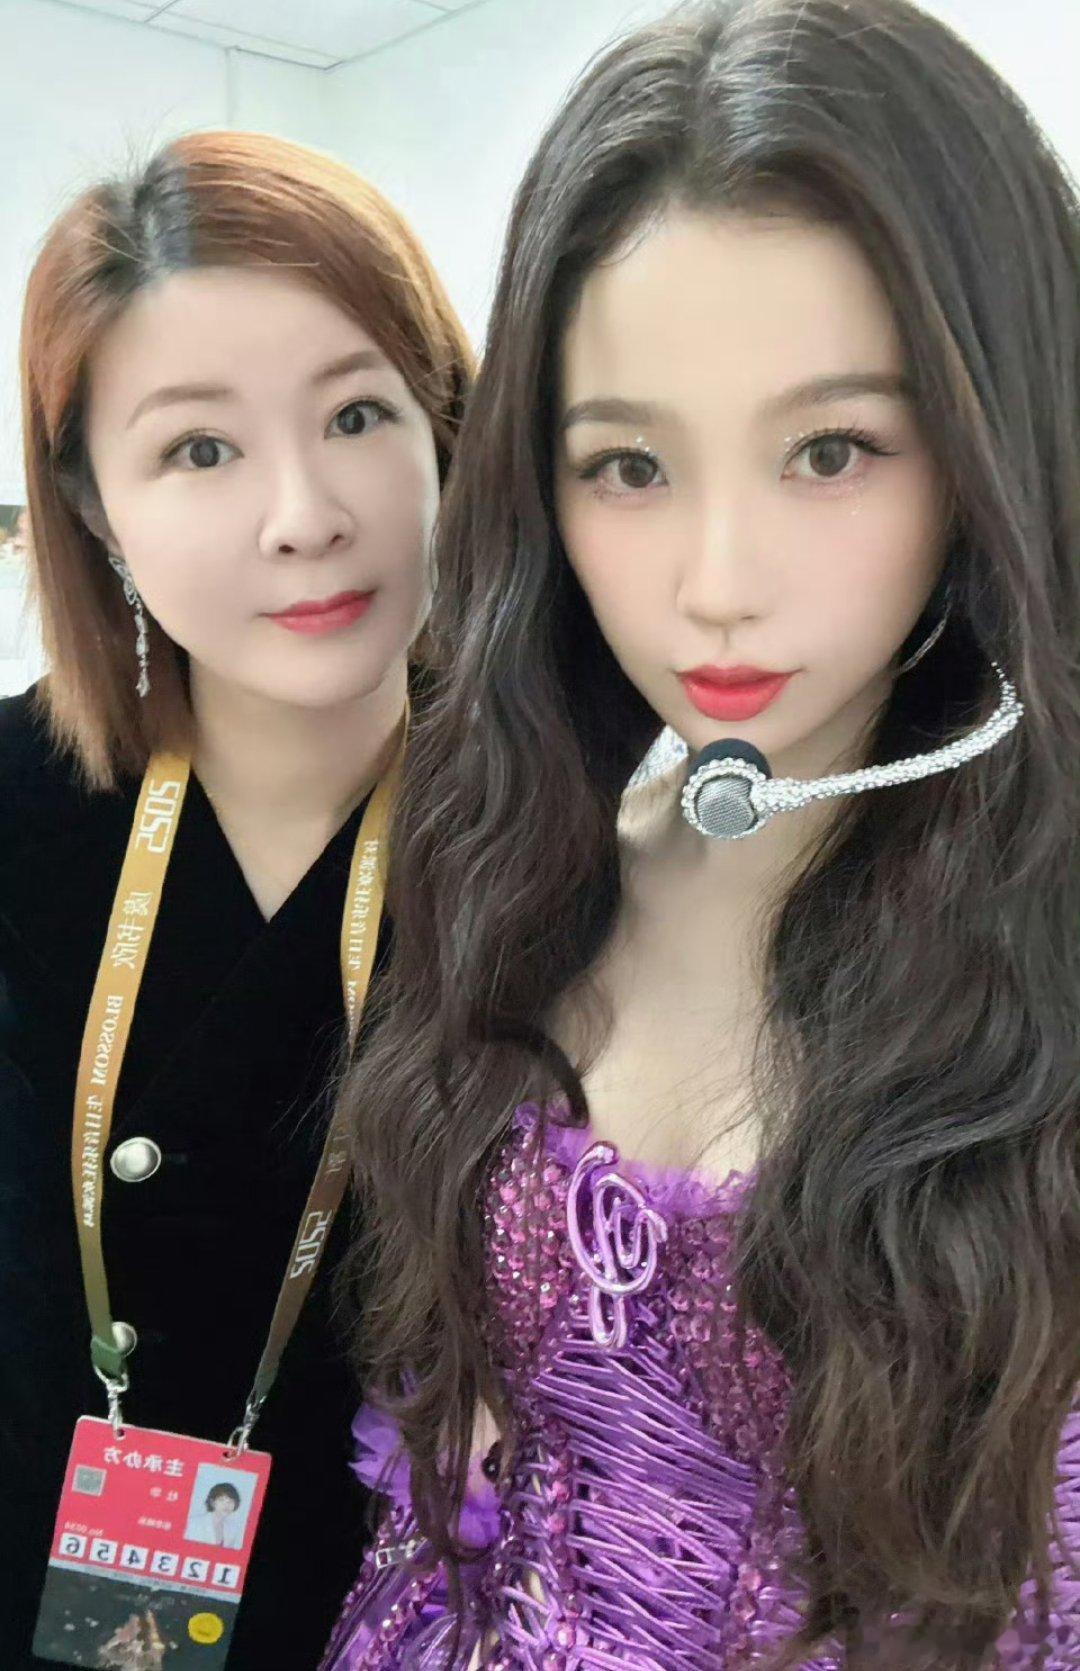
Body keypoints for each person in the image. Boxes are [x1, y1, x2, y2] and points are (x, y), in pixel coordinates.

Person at [321, 1, 1080, 1667]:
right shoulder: (528, 845)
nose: (718, 582)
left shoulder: (1047, 932)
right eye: (629, 466)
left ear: (991, 445)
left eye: (832, 450)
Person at [0, 131, 471, 1669]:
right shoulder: (19, 809)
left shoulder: (566, 837)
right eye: (200, 448)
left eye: (356, 414)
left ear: (444, 429)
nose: (303, 513)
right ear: (90, 503)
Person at [187, 1482, 245, 1551]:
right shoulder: (194, 1523)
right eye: (221, 1500)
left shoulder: (232, 1528)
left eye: (230, 1501)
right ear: (212, 1502)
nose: (226, 1505)